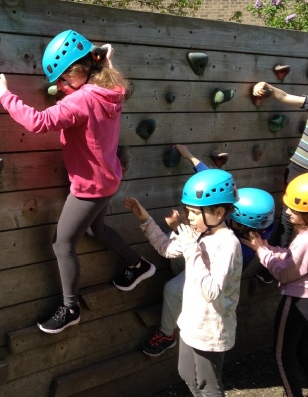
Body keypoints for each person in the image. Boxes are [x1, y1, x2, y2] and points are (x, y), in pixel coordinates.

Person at [0, 29, 155, 334]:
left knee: (62, 244)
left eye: (64, 79)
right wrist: (100, 60)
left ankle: (70, 308)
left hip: (89, 188)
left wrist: (4, 94)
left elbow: (38, 122)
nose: (61, 86)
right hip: (109, 178)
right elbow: (95, 78)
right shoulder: (111, 89)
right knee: (96, 230)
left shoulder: (80, 101)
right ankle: (139, 265)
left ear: (81, 69)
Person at [140, 144, 275, 357]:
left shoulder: (238, 246)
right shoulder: (246, 220)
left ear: (243, 224)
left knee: (172, 290)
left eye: (232, 216)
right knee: (175, 251)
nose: (229, 214)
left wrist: (179, 228)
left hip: (211, 272)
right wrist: (189, 156)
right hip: (200, 257)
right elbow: (213, 183)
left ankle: (166, 335)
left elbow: (208, 270)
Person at [125, 169, 242, 396]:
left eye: (195, 213)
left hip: (210, 330)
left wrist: (190, 247)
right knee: (187, 374)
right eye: (188, 211)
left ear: (218, 212)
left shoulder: (227, 244)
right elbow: (166, 249)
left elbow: (211, 291)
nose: (189, 218)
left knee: (208, 387)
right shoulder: (199, 234)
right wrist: (145, 219)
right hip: (191, 323)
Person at [241, 173, 308, 397]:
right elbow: (293, 259)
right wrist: (269, 249)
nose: (287, 213)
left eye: (294, 210)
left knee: (282, 355)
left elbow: (285, 274)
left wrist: (261, 251)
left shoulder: (304, 240)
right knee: (302, 348)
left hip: (297, 301)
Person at [252, 81, 307, 283]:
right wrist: (266, 86)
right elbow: (284, 97)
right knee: (288, 218)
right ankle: (276, 265)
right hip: (299, 169)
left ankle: (290, 267)